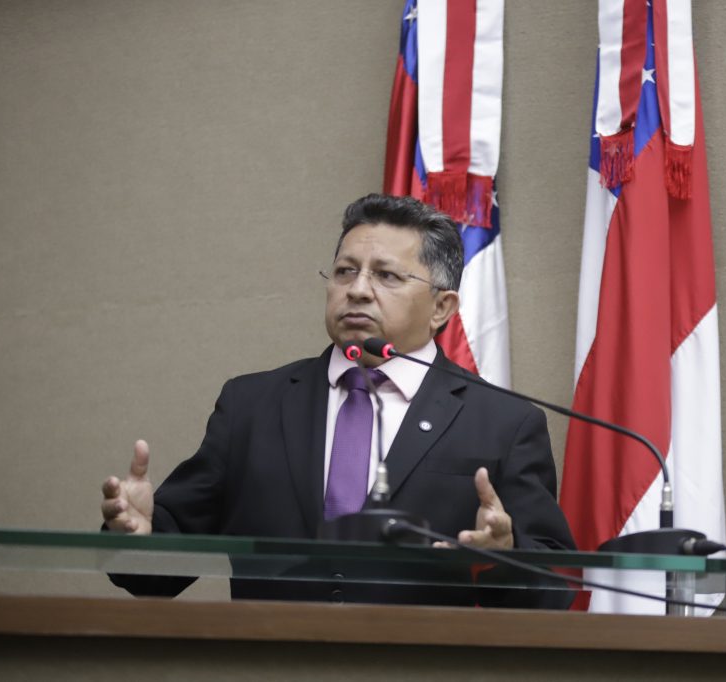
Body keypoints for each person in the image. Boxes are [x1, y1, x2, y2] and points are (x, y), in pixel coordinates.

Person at [100, 193, 575, 608]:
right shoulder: (251, 405)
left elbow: (553, 590)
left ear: (441, 308)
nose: (358, 289)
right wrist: (137, 536)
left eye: (386, 276)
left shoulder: (502, 422)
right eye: (345, 271)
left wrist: (505, 557)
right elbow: (155, 573)